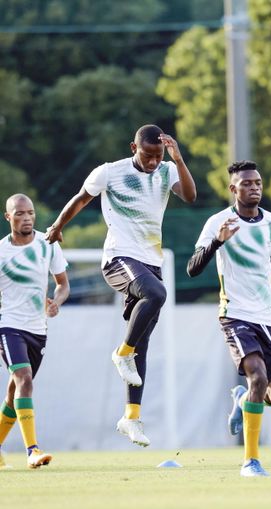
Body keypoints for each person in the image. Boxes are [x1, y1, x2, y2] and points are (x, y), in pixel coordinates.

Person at [45, 125, 196, 447]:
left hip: (150, 261)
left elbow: (190, 195)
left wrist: (178, 159)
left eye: (158, 156)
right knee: (157, 294)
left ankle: (131, 417)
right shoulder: (109, 173)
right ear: (133, 148)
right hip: (119, 259)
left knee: (142, 339)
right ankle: (121, 353)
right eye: (148, 155)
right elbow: (81, 199)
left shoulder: (167, 169)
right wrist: (58, 226)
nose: (154, 162)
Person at [187, 160, 271, 477]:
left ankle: (244, 400)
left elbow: (270, 263)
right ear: (233, 189)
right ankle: (251, 461)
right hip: (234, 315)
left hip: (266, 317)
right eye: (247, 183)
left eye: (258, 182)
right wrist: (218, 240)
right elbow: (192, 268)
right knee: (258, 377)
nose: (255, 187)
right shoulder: (218, 221)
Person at [0, 194, 69, 469]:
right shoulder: (1, 252)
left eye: (30, 213)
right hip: (8, 325)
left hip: (37, 330)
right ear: (8, 217)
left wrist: (56, 302)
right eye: (19, 213)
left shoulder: (48, 244)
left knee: (14, 393)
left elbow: (63, 285)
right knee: (25, 379)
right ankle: (33, 451)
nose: (26, 218)